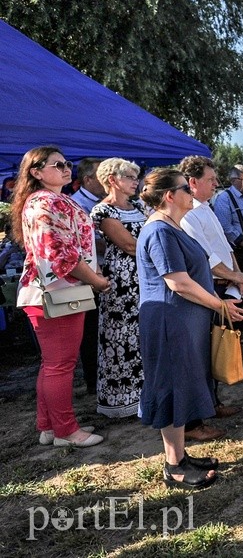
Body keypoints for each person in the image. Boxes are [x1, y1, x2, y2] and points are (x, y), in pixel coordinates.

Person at [137, 168, 243, 490]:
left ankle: (181, 456)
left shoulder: (172, 226)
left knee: (182, 384)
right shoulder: (159, 230)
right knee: (172, 388)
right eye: (185, 187)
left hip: (183, 320)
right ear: (169, 196)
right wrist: (220, 305)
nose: (191, 191)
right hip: (170, 321)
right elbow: (178, 282)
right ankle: (174, 466)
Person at [12, 146, 110, 447]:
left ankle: (50, 427)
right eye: (57, 164)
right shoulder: (45, 202)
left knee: (53, 363)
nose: (66, 168)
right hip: (57, 293)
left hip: (51, 292)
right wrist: (97, 280)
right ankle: (66, 431)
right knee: (60, 365)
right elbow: (61, 255)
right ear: (36, 171)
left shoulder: (46, 200)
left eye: (67, 163)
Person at [178, 155, 243, 438]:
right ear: (193, 182)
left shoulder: (206, 208)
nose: (216, 183)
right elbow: (204, 255)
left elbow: (224, 246)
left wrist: (237, 273)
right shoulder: (189, 213)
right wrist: (233, 276)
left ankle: (212, 402)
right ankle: (194, 420)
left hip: (224, 284)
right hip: (207, 288)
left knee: (215, 345)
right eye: (210, 179)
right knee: (200, 351)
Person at [90, 158, 148, 418]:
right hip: (123, 283)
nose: (136, 181)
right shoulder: (103, 211)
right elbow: (129, 245)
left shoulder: (139, 206)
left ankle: (147, 394)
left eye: (136, 177)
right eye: (130, 177)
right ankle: (124, 400)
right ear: (112, 180)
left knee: (143, 335)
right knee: (122, 338)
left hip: (144, 276)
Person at [70, 157, 106, 395]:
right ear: (88, 179)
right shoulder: (76, 205)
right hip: (88, 277)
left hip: (105, 273)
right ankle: (94, 381)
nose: (107, 180)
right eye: (101, 176)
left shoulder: (103, 201)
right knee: (92, 330)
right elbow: (89, 244)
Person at [213, 164, 243, 334]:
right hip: (237, 251)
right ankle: (236, 329)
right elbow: (226, 228)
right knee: (238, 291)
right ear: (234, 180)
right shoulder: (224, 199)